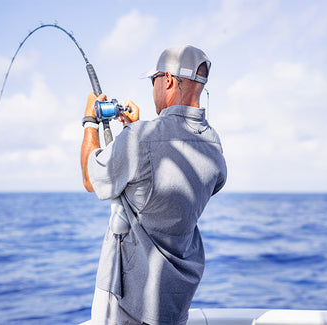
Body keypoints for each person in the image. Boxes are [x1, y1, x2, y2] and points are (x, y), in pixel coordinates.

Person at [79, 45, 227, 325]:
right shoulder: (213, 145)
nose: (152, 89)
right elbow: (165, 185)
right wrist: (133, 131)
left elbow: (90, 179)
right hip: (173, 304)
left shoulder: (140, 139)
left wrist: (90, 120)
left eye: (153, 81)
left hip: (126, 301)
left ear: (168, 80)